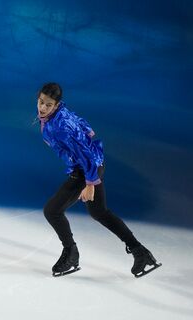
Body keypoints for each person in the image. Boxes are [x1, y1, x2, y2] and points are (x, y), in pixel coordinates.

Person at [35, 82, 161, 277]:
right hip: (91, 164)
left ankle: (71, 253)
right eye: (41, 102)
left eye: (48, 105)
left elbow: (85, 154)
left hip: (88, 168)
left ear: (57, 105)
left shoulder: (61, 126)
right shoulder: (57, 115)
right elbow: (79, 121)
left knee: (52, 211)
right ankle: (140, 252)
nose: (42, 108)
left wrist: (90, 183)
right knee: (99, 212)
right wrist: (87, 130)